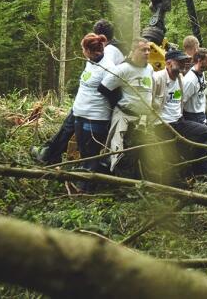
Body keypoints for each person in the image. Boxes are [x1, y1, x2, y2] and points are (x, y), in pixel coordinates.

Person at [31, 19, 122, 164]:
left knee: (71, 131)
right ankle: (50, 152)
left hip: (93, 108)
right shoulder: (115, 48)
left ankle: (50, 153)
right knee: (67, 128)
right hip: (86, 104)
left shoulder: (108, 52)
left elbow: (107, 85)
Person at [153, 50, 207, 183]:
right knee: (174, 156)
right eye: (180, 62)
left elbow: (179, 101)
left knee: (206, 134)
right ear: (168, 63)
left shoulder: (180, 79)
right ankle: (191, 179)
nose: (184, 64)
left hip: (179, 121)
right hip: (163, 124)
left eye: (184, 61)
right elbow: (149, 100)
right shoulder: (158, 78)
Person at [98, 38, 155, 172]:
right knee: (122, 155)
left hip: (143, 120)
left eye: (148, 50)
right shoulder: (123, 69)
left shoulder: (150, 68)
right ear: (133, 51)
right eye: (143, 50)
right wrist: (120, 103)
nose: (147, 52)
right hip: (125, 117)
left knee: (143, 154)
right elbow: (104, 88)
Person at [71, 33, 113, 191]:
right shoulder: (91, 61)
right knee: (82, 150)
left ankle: (87, 188)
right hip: (80, 114)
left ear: (89, 50)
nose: (82, 51)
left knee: (92, 153)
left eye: (83, 49)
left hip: (95, 117)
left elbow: (112, 94)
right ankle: (83, 181)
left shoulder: (108, 68)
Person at [182, 48, 207, 126]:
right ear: (199, 60)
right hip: (192, 117)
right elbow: (181, 102)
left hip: (201, 115)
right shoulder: (190, 80)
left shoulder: (202, 73)